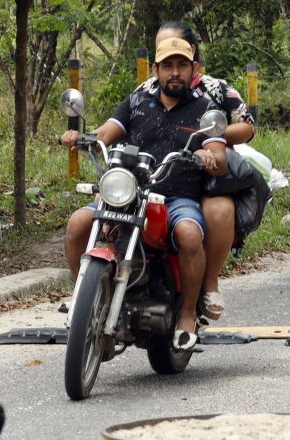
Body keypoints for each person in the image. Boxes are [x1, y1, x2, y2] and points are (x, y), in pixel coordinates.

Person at [59, 35, 229, 350]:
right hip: (128, 189)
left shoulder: (204, 109)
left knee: (190, 235)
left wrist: (210, 157)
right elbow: (105, 133)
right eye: (167, 66)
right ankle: (83, 297)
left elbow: (218, 155)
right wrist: (81, 136)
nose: (174, 72)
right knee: (77, 224)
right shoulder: (137, 102)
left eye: (181, 65)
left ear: (193, 70)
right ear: (155, 70)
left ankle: (188, 313)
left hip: (176, 196)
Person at [152, 22, 257, 321]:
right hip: (162, 172)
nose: (172, 66)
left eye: (177, 54)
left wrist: (211, 137)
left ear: (192, 56)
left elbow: (247, 125)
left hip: (207, 170)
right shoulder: (146, 91)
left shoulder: (216, 88)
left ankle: (208, 282)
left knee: (219, 209)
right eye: (163, 55)